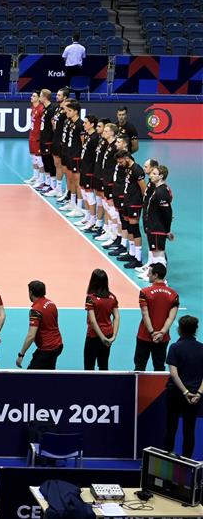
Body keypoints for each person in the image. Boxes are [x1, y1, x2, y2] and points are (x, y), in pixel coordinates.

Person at [165, 316, 203, 458]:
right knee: (189, 429)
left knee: (171, 427)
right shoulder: (202, 348)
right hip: (195, 396)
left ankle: (167, 458)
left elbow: (174, 374)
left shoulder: (174, 347)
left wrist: (185, 392)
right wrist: (198, 394)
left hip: (175, 394)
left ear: (179, 329)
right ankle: (187, 462)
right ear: (196, 329)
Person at [136, 263, 180, 372]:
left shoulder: (144, 292)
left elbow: (145, 314)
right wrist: (161, 333)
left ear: (155, 275)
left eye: (149, 273)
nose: (148, 275)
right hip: (162, 338)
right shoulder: (174, 294)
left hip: (144, 336)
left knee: (139, 367)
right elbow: (171, 317)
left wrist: (152, 333)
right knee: (159, 367)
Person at [15, 280, 63, 370]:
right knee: (49, 372)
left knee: (32, 375)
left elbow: (31, 335)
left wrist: (21, 354)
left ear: (30, 293)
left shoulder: (36, 310)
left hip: (47, 349)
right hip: (58, 345)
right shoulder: (51, 303)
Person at [139, 165, 173, 281]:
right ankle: (152, 275)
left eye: (154, 174)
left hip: (158, 228)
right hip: (153, 226)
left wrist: (167, 231)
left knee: (159, 256)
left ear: (161, 176)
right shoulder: (157, 190)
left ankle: (162, 280)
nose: (151, 176)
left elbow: (167, 213)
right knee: (154, 254)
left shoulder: (161, 192)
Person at [84, 269, 120, 371]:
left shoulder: (91, 298)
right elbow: (117, 317)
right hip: (108, 334)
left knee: (89, 366)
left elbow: (92, 321)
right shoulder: (112, 297)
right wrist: (113, 336)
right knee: (104, 364)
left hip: (93, 336)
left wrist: (102, 337)